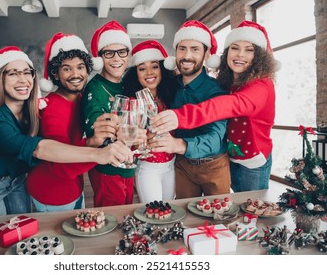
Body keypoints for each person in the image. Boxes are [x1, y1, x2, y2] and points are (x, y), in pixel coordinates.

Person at [0, 46, 133, 217]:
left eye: (27, 72)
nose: (23, 79)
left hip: (19, 179)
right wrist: (97, 151)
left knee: (20, 231)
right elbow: (40, 149)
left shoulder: (33, 108)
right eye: (13, 73)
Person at [151, 21, 277, 192]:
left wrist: (179, 117)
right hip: (232, 156)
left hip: (253, 160)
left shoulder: (261, 86)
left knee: (251, 211)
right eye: (234, 48)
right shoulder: (229, 82)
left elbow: (228, 105)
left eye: (249, 50)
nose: (240, 55)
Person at [26, 33, 119, 212]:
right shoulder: (53, 107)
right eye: (67, 69)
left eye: (80, 67)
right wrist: (98, 148)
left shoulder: (81, 99)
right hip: (52, 192)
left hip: (73, 186)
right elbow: (59, 166)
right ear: (56, 73)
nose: (76, 74)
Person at [147, 20, 231, 198]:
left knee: (218, 220)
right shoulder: (169, 86)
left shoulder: (216, 91)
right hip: (181, 165)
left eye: (195, 49)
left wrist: (178, 144)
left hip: (213, 166)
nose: (187, 56)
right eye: (182, 49)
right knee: (185, 218)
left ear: (207, 54)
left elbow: (215, 138)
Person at [81, 20, 141, 207]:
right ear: (100, 58)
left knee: (126, 215)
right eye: (109, 53)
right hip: (108, 168)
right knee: (111, 218)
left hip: (128, 165)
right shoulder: (95, 88)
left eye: (122, 52)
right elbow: (94, 129)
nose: (117, 58)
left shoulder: (127, 84)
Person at [123, 40, 177, 203]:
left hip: (172, 166)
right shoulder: (132, 102)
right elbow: (127, 141)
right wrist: (138, 142)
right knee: (153, 214)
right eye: (142, 68)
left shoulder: (170, 96)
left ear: (162, 69)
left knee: (168, 211)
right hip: (148, 168)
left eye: (154, 66)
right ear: (135, 73)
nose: (149, 73)